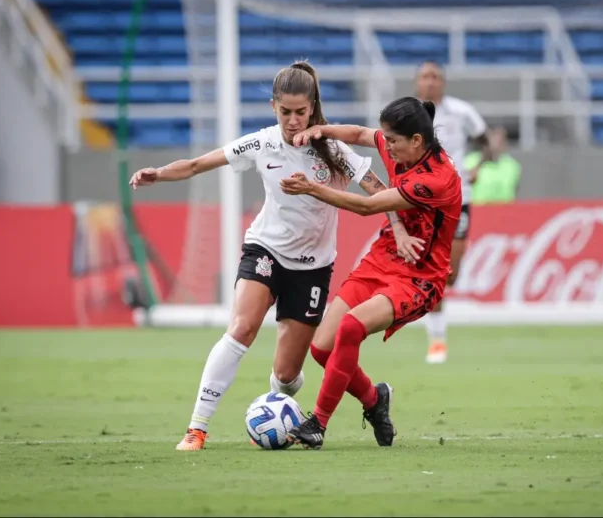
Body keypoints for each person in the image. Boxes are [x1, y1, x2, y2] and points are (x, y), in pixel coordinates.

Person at [129, 61, 424, 451]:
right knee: (241, 329)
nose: (293, 120)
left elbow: (379, 190)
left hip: (313, 268)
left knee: (286, 375)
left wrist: (399, 229)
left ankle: (282, 408)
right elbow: (199, 164)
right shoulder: (261, 143)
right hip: (265, 249)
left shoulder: (334, 150)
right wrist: (159, 173)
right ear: (273, 107)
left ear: (312, 107)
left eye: (300, 112)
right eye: (285, 112)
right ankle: (196, 428)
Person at [278, 96, 463, 449]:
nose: (386, 147)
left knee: (350, 327)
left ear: (416, 141)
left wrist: (312, 188)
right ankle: (374, 400)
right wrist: (321, 129)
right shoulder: (403, 148)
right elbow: (362, 134)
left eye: (392, 141)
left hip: (419, 278)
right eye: (386, 139)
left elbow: (366, 206)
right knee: (322, 349)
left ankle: (317, 423)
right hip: (382, 259)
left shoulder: (436, 180)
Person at [414, 60, 488, 364]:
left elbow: (486, 141)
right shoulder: (409, 114)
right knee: (434, 270)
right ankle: (437, 340)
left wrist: (477, 166)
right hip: (423, 199)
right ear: (417, 82)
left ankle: (435, 327)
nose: (430, 81)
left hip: (458, 197)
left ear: (443, 82)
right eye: (425, 77)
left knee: (451, 273)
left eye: (435, 77)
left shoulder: (462, 111)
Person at [465, 126, 522, 205]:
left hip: (504, 209)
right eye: (491, 142)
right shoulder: (470, 161)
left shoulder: (512, 166)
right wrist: (482, 161)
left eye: (499, 142)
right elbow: (467, 182)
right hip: (478, 209)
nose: (494, 147)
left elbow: (512, 191)